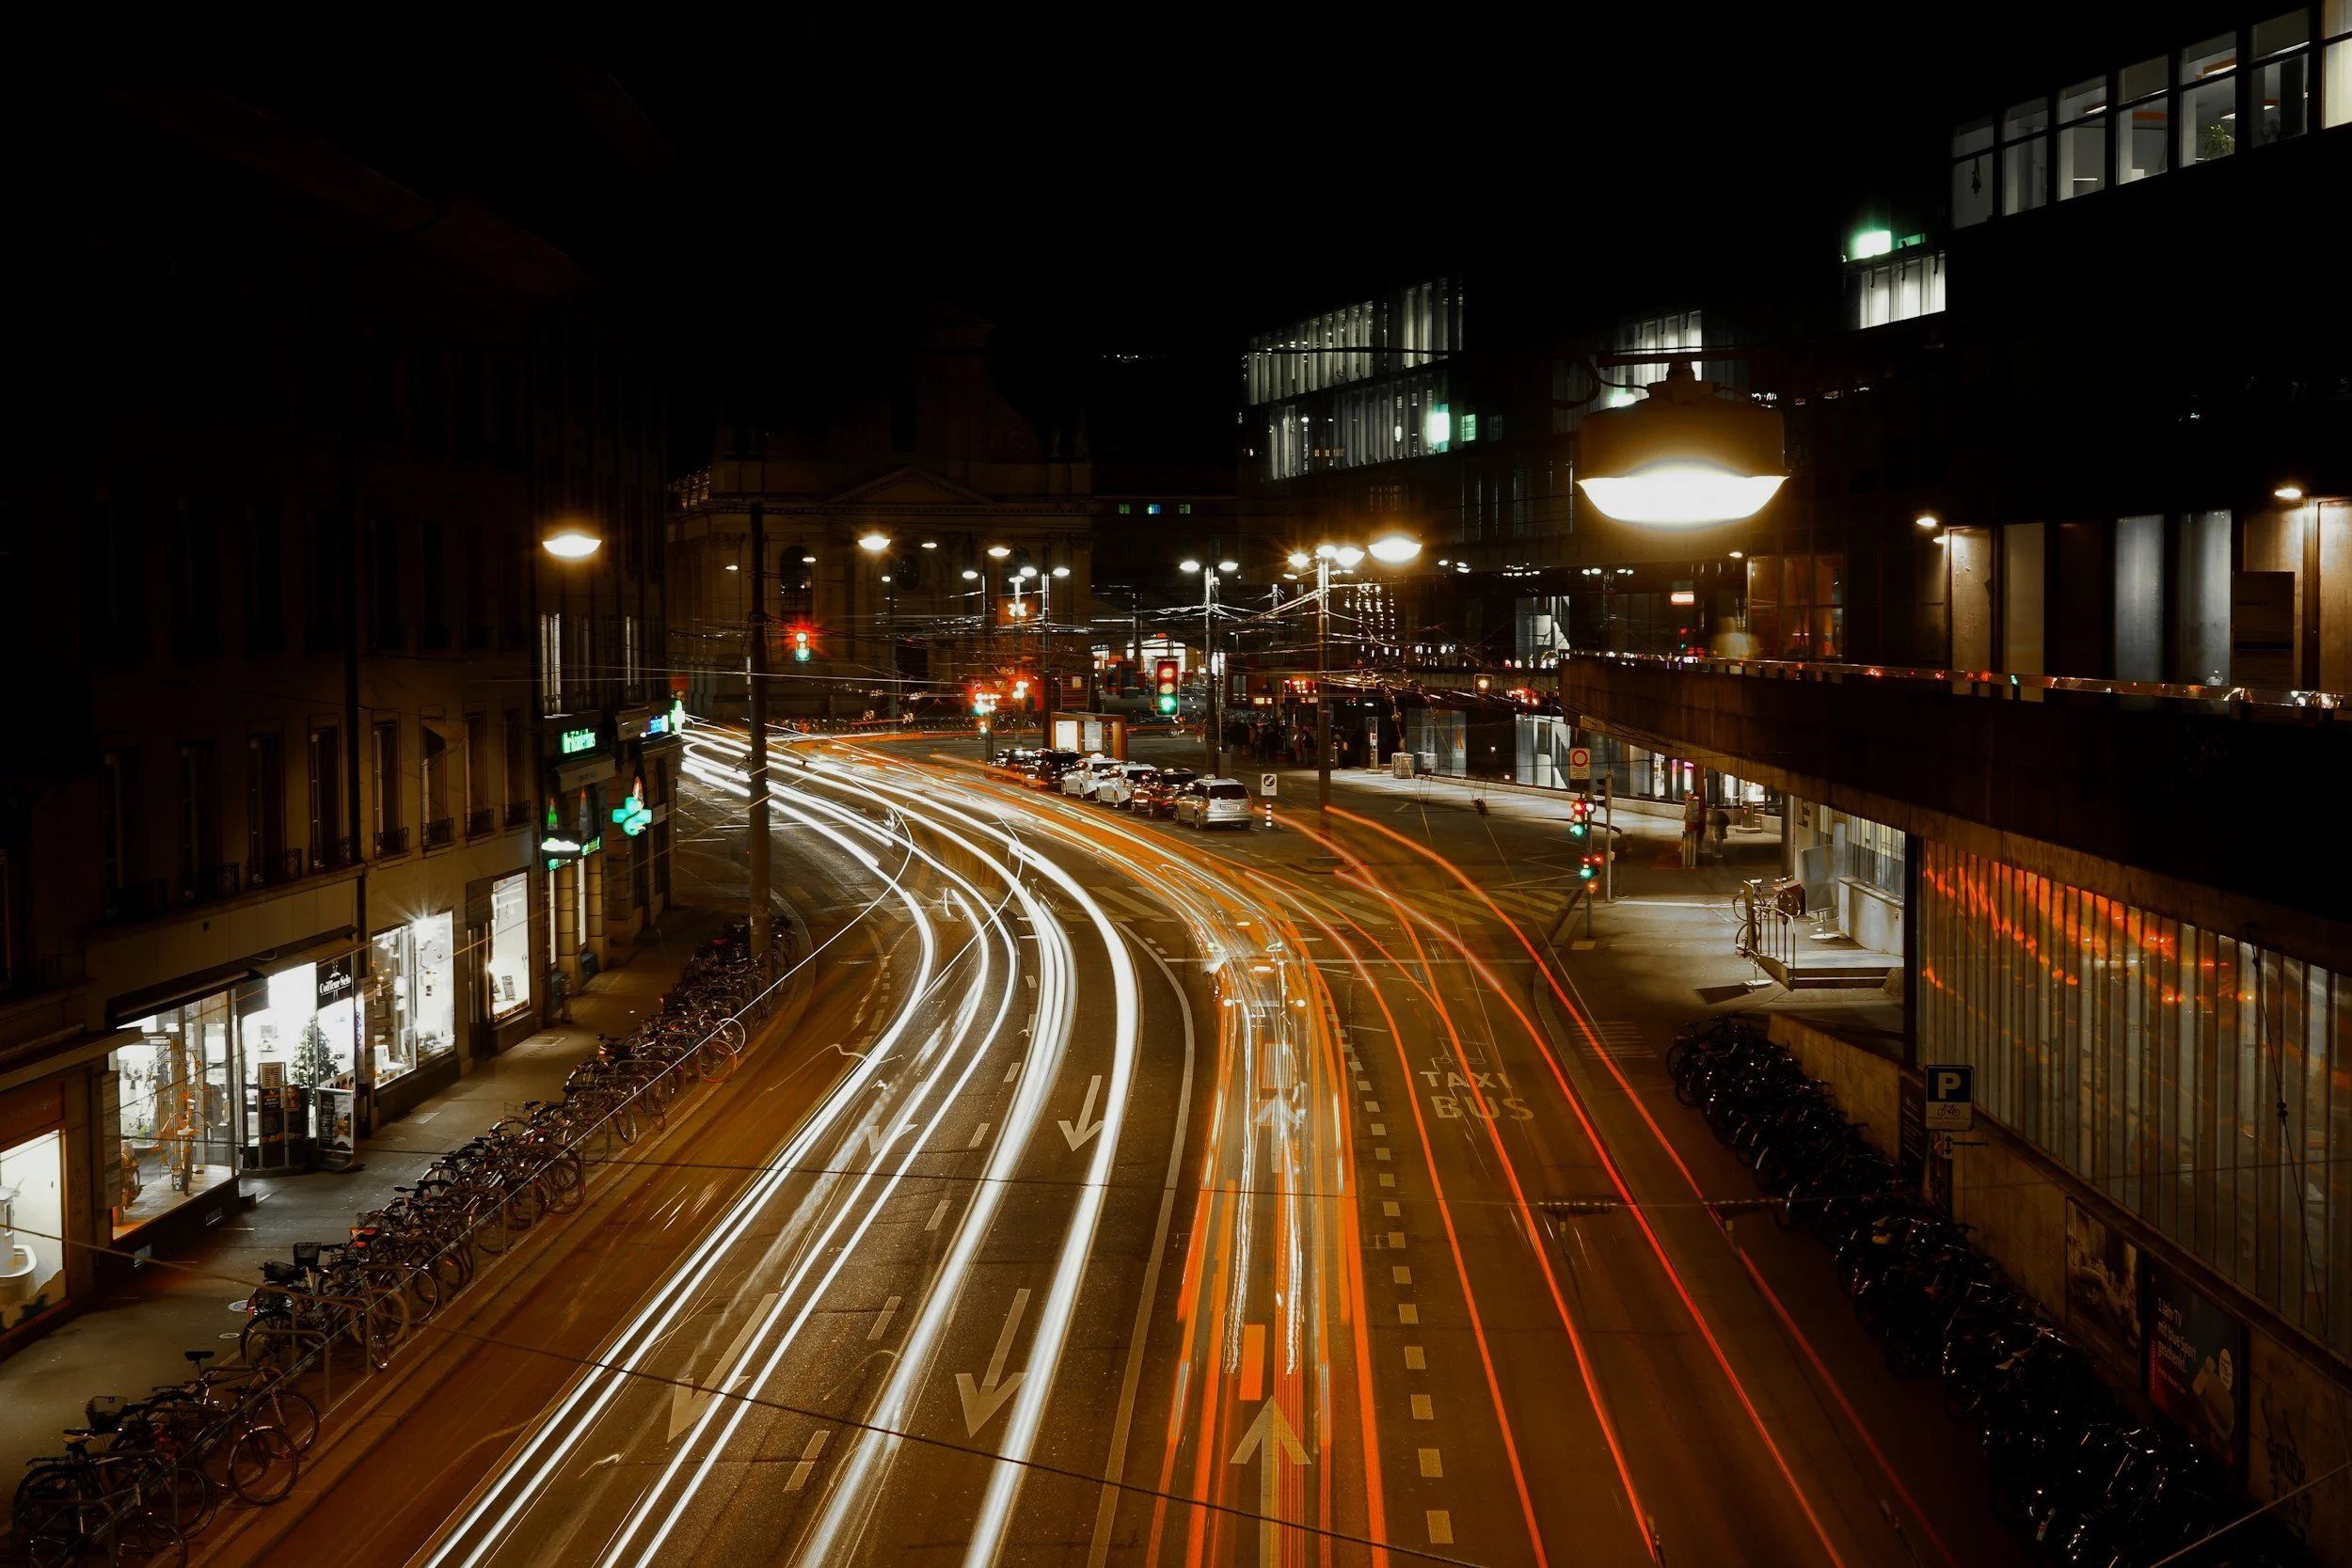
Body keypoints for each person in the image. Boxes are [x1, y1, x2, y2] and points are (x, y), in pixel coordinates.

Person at [1681, 792, 1705, 867]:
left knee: (1693, 838)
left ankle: (1690, 861)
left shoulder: (1693, 802)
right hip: (1694, 824)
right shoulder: (1694, 802)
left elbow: (1687, 816)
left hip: (1693, 824)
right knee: (1694, 838)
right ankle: (1690, 860)